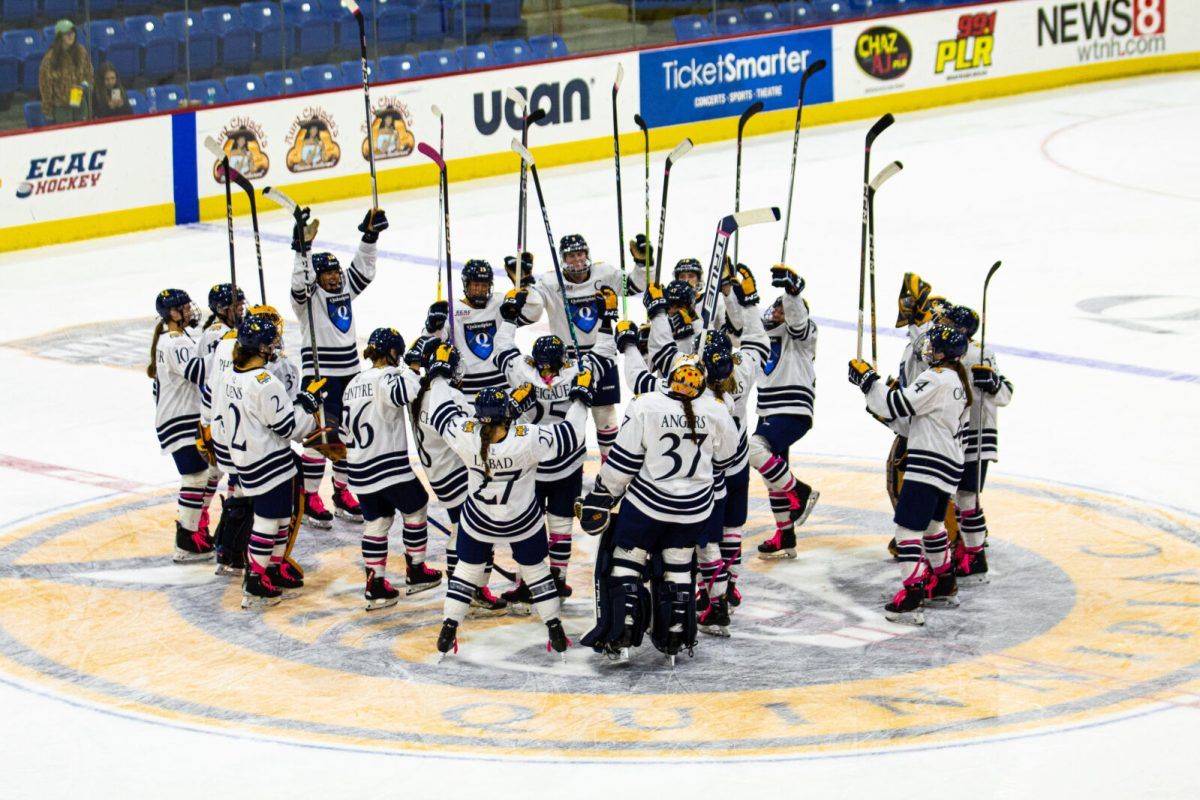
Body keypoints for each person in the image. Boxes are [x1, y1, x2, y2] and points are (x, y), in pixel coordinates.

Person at [424, 344, 593, 661]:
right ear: (507, 415)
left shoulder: (469, 435)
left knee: (466, 572)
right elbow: (572, 435)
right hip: (521, 520)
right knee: (536, 572)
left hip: (479, 518)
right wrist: (581, 398)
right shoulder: (528, 437)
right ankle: (554, 627)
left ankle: (449, 626)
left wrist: (439, 374)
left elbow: (442, 411)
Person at [576, 354, 739, 664]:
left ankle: (623, 632)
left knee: (627, 560)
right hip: (695, 509)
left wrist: (602, 496)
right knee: (678, 565)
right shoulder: (717, 409)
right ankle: (675, 635)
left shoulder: (646, 404)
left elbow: (623, 462)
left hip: (647, 506)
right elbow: (727, 459)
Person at [848, 325, 972, 625]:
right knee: (932, 526)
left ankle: (913, 594)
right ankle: (943, 582)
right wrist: (882, 398)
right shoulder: (957, 381)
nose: (929, 350)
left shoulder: (936, 378)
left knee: (907, 530)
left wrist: (869, 382)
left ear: (944, 354)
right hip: (948, 466)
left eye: (934, 347)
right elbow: (912, 421)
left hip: (927, 464)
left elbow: (896, 405)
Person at [494, 324, 617, 607]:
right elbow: (605, 354)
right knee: (555, 526)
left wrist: (510, 319)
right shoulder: (577, 372)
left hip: (534, 464)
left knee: (533, 525)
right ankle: (551, 580)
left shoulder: (521, 371)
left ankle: (533, 581)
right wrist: (607, 323)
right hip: (564, 463)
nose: (547, 372)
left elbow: (502, 349)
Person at [216, 315, 325, 609]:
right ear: (261, 348)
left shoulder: (229, 376)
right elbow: (291, 428)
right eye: (271, 342)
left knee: (278, 518)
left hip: (247, 460)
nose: (275, 346)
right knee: (267, 522)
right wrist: (308, 405)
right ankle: (255, 579)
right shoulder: (265, 382)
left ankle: (271, 569)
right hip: (270, 462)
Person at [290, 207, 387, 525]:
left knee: (348, 436)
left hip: (350, 376)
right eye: (327, 273)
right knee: (321, 439)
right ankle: (309, 495)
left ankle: (342, 493)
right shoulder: (307, 299)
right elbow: (299, 283)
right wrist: (302, 251)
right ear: (317, 278)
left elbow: (364, 271)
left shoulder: (343, 288)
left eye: (336, 271)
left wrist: (369, 238)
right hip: (320, 378)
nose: (334, 276)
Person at [507, 234, 644, 459]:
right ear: (563, 258)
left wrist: (642, 264)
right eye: (571, 256)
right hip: (566, 362)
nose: (577, 260)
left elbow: (637, 285)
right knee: (568, 417)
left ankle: (608, 467)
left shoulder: (606, 273)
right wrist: (525, 281)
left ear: (587, 254)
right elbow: (532, 309)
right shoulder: (550, 282)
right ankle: (568, 466)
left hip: (602, 355)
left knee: (605, 414)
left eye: (580, 254)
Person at [404, 338, 508, 615]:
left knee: (461, 528)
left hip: (440, 474)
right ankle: (468, 588)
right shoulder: (449, 396)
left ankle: (463, 586)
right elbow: (471, 438)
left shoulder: (418, 394)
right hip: (457, 474)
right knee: (473, 530)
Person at [340, 328, 442, 610]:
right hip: (387, 465)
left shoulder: (354, 382)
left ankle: (375, 584)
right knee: (417, 505)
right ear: (393, 353)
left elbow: (342, 429)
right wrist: (414, 365)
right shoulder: (388, 377)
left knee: (378, 522)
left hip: (359, 467)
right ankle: (417, 570)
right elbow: (403, 393)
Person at [747, 265, 820, 559]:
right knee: (773, 475)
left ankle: (800, 492)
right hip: (768, 410)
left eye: (782, 311)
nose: (776, 314)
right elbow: (740, 326)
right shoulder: (766, 337)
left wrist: (792, 293)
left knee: (753, 448)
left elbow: (798, 321)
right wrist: (734, 295)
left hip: (792, 408)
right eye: (775, 310)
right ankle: (786, 535)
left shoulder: (804, 334)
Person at [942, 304, 1014, 584]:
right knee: (960, 497)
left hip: (979, 434)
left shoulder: (981, 354)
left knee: (967, 498)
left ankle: (975, 554)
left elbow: (1005, 394)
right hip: (957, 435)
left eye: (949, 322)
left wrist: (993, 383)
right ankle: (970, 547)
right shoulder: (953, 352)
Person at [148, 289, 216, 563]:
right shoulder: (175, 343)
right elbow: (200, 373)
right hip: (180, 420)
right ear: (172, 314)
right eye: (184, 308)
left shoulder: (173, 339)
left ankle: (194, 528)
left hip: (178, 417)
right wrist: (224, 349)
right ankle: (187, 539)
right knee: (196, 477)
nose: (189, 311)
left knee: (209, 471)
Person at [423, 259, 508, 395]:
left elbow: (531, 314)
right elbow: (430, 342)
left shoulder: (499, 303)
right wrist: (432, 326)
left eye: (484, 285)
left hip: (502, 387)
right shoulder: (451, 309)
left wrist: (524, 282)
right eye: (475, 285)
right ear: (466, 284)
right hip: (467, 391)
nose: (480, 290)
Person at [38, 20, 93, 125]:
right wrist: (47, 108)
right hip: (60, 105)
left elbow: (88, 73)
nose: (71, 35)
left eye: (72, 32)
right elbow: (45, 85)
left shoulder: (81, 51)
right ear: (59, 37)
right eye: (67, 33)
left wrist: (87, 85)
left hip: (79, 100)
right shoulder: (50, 59)